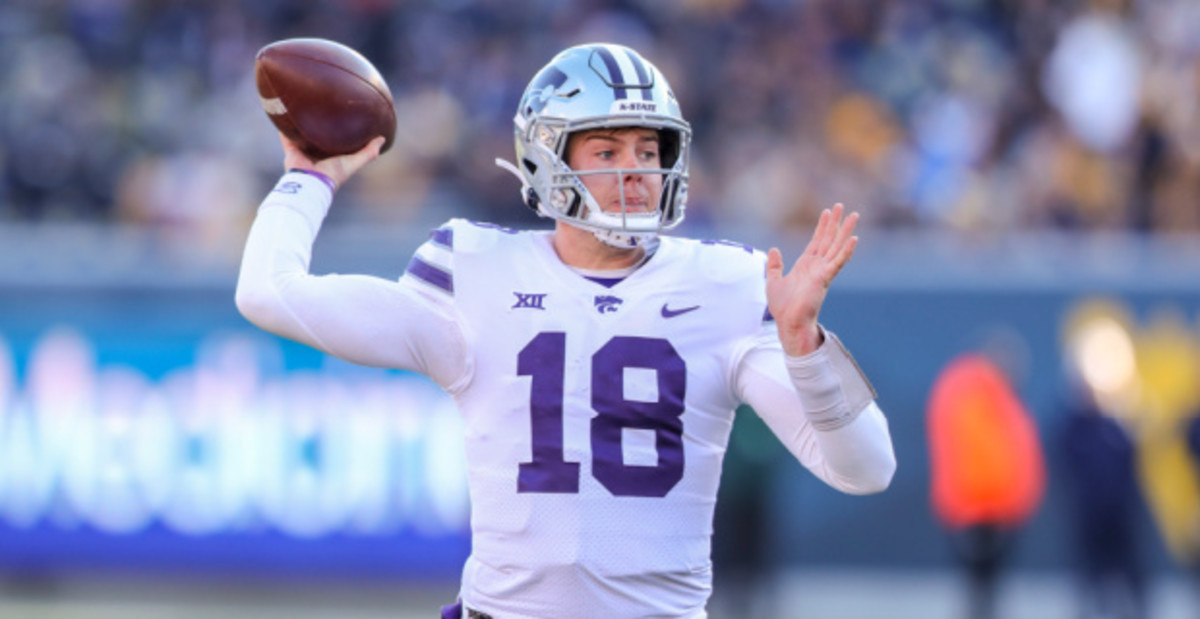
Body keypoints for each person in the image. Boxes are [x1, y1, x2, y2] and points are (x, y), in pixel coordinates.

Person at [236, 42, 896, 618]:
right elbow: (270, 293)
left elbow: (867, 468)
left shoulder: (729, 282)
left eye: (647, 148)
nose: (635, 171)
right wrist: (309, 177)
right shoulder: (471, 270)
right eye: (606, 149)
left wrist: (804, 344)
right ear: (546, 159)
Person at [926, 352, 1045, 619]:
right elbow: (980, 459)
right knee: (978, 588)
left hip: (997, 511)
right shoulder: (974, 398)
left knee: (988, 589)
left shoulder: (999, 401)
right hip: (979, 512)